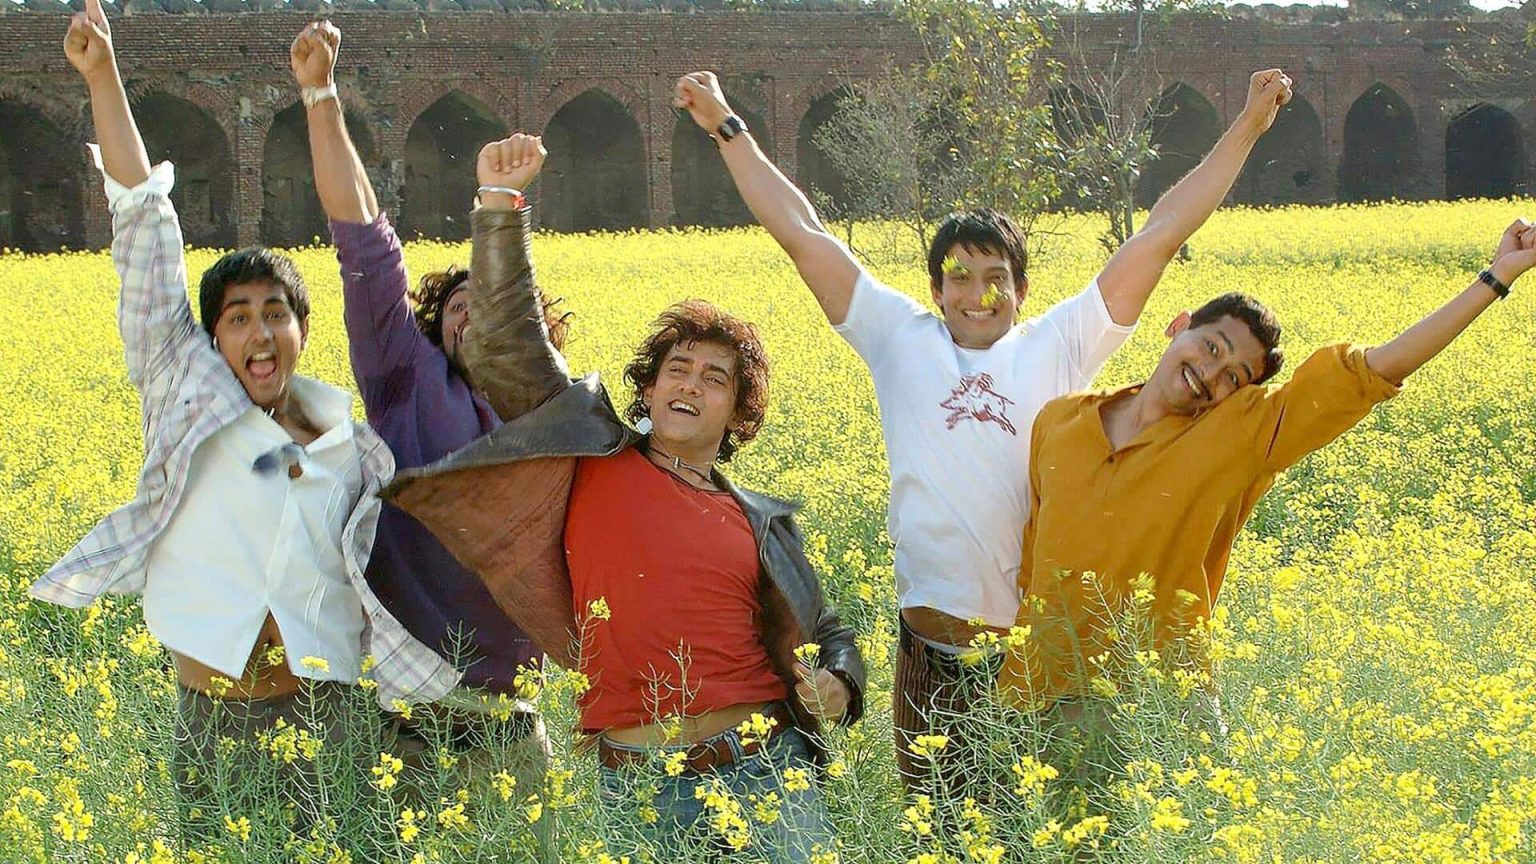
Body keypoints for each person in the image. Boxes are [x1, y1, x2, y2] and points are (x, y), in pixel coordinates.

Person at [673, 67, 1292, 791]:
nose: (978, 294)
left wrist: (1248, 124)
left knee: (1027, 830)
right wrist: (726, 125)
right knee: (934, 824)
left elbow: (1161, 232)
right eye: (959, 277)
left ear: (1022, 289)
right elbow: (800, 231)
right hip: (927, 655)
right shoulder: (897, 336)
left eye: (996, 277)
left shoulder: (1061, 343)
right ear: (936, 288)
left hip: (1028, 664)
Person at [31, 0, 453, 843]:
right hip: (213, 716)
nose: (259, 334)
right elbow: (143, 224)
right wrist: (102, 74)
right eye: (237, 318)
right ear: (211, 335)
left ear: (302, 330)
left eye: (275, 314)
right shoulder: (182, 387)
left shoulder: (351, 444)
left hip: (326, 715)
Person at [380, 136, 867, 863]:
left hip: (766, 768)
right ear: (649, 388)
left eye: (714, 378)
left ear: (738, 413)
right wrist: (501, 204)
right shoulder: (594, 457)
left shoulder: (761, 519)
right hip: (640, 786)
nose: (690, 384)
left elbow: (827, 629)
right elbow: (509, 342)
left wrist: (842, 683)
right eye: (678, 369)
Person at [1000, 219, 1536, 713]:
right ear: (1178, 326)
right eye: (1212, 348)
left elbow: (1373, 370)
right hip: (1033, 702)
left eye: (1233, 378)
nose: (1211, 374)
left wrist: (1495, 278)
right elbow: (1033, 563)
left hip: (1152, 713)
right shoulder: (1061, 420)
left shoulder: (1238, 435)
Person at [292, 21, 561, 778]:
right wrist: (320, 97)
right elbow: (367, 246)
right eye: (457, 308)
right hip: (410, 728)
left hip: (516, 728)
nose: (474, 316)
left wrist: (503, 204)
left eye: (493, 305)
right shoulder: (407, 380)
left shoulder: (548, 405)